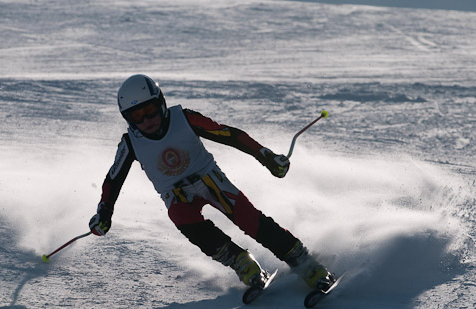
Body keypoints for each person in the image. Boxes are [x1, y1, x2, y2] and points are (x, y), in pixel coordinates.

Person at [89, 74, 335, 290]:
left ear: (161, 102)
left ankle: (305, 262)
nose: (147, 121)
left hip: (211, 181)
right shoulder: (131, 142)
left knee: (250, 220)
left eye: (150, 110)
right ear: (128, 119)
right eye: (137, 117)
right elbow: (114, 178)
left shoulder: (183, 119)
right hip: (177, 196)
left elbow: (229, 134)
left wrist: (265, 155)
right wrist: (105, 210)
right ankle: (241, 262)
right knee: (182, 218)